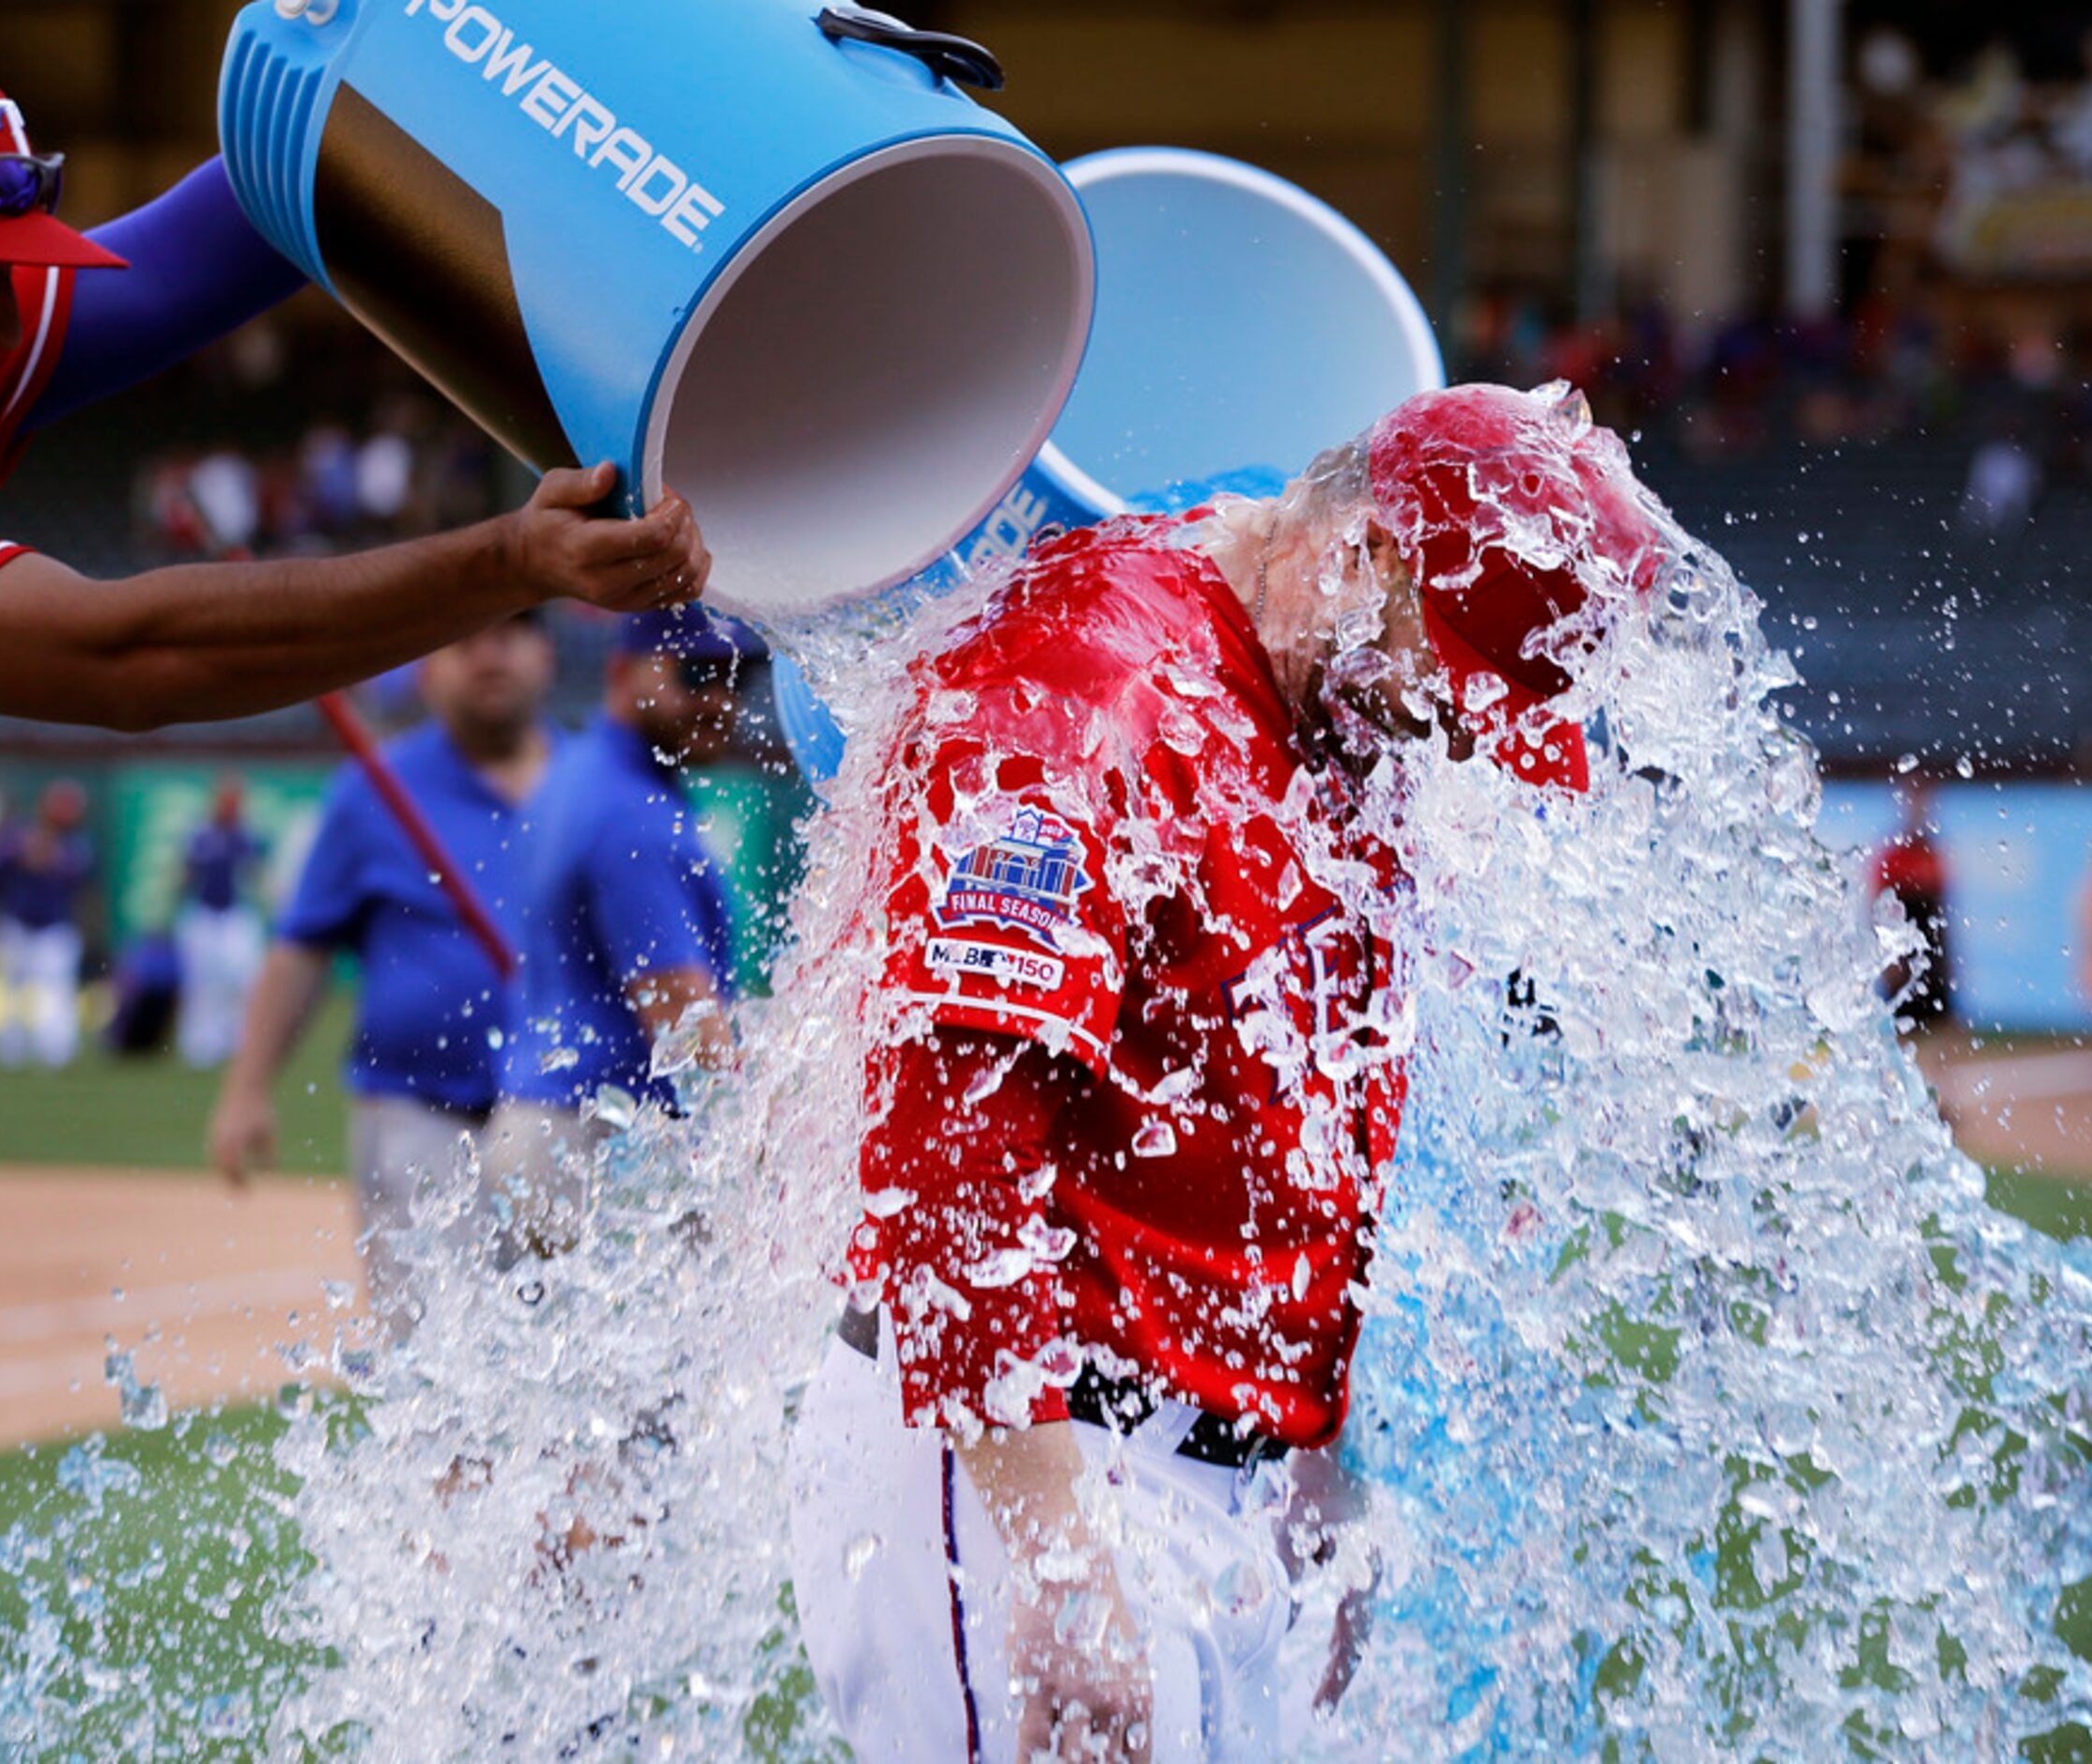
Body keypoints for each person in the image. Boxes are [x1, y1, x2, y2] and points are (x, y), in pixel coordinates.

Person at [0, 39, 709, 1379]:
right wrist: (506, 563)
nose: (4, 330)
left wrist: (436, 41)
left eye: (16, 281)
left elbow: (231, 229)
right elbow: (131, 656)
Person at [787, 383, 1667, 1761]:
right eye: (1453, 676)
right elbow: (950, 1151)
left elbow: (1313, 1112)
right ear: (1367, 549)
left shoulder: (1332, 697)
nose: (1459, 734)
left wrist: (1319, 1450)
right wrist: (1061, 1561)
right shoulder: (1082, 679)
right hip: (1027, 1456)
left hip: (1215, 1473)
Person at [207, 612, 559, 1326]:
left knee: (576, 1367)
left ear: (547, 656)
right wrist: (248, 1087)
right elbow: (303, 947)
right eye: (464, 637)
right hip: (416, 1112)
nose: (489, 650)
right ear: (426, 670)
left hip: (562, 1118)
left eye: (512, 629)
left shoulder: (590, 786)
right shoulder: (373, 790)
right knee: (439, 1366)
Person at [476, 607, 749, 1264]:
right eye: (695, 672)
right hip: (599, 1145)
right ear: (622, 672)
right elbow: (683, 1021)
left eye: (735, 677)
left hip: (538, 1128)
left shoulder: (571, 771)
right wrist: (755, 1148)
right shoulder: (633, 817)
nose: (719, 698)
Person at [0, 776, 97, 1068]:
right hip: (16, 924)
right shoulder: (16, 837)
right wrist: (16, 856)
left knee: (56, 990)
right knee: (11, 991)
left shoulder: (77, 845)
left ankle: (56, 1052)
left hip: (55, 927)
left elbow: (83, 879)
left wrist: (52, 859)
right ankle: (10, 1052)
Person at [176, 775, 270, 1069]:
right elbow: (185, 875)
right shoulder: (199, 834)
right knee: (202, 983)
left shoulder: (248, 836)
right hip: (204, 914)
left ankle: (238, 1043)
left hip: (236, 916)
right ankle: (200, 1046)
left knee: (242, 980)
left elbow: (256, 875)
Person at [1867, 778, 1953, 1037]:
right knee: (1903, 1029)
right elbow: (1878, 913)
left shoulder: (1933, 855)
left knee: (1940, 1030)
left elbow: (1941, 915)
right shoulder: (1892, 858)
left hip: (1930, 955)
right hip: (1903, 955)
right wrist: (1888, 960)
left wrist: (1945, 961)